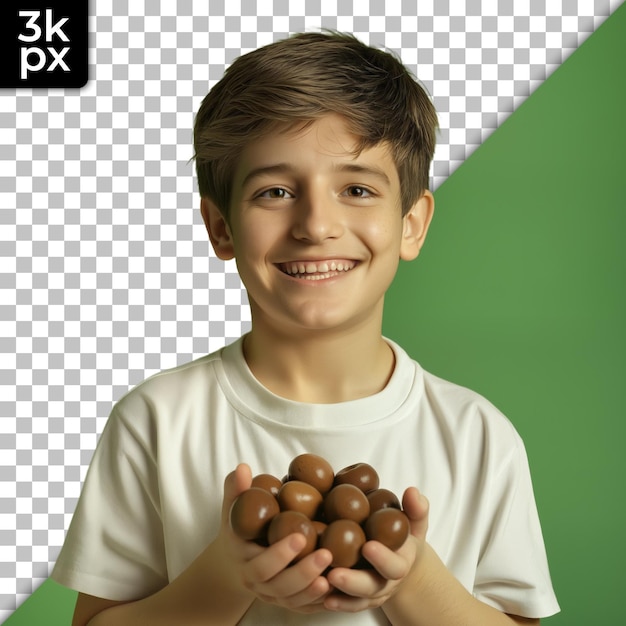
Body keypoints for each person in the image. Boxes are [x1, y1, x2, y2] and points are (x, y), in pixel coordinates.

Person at [51, 31, 560, 625]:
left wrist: (415, 579)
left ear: (412, 224)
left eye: (357, 189)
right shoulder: (156, 422)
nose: (316, 224)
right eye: (275, 191)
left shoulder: (477, 438)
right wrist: (225, 574)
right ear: (221, 228)